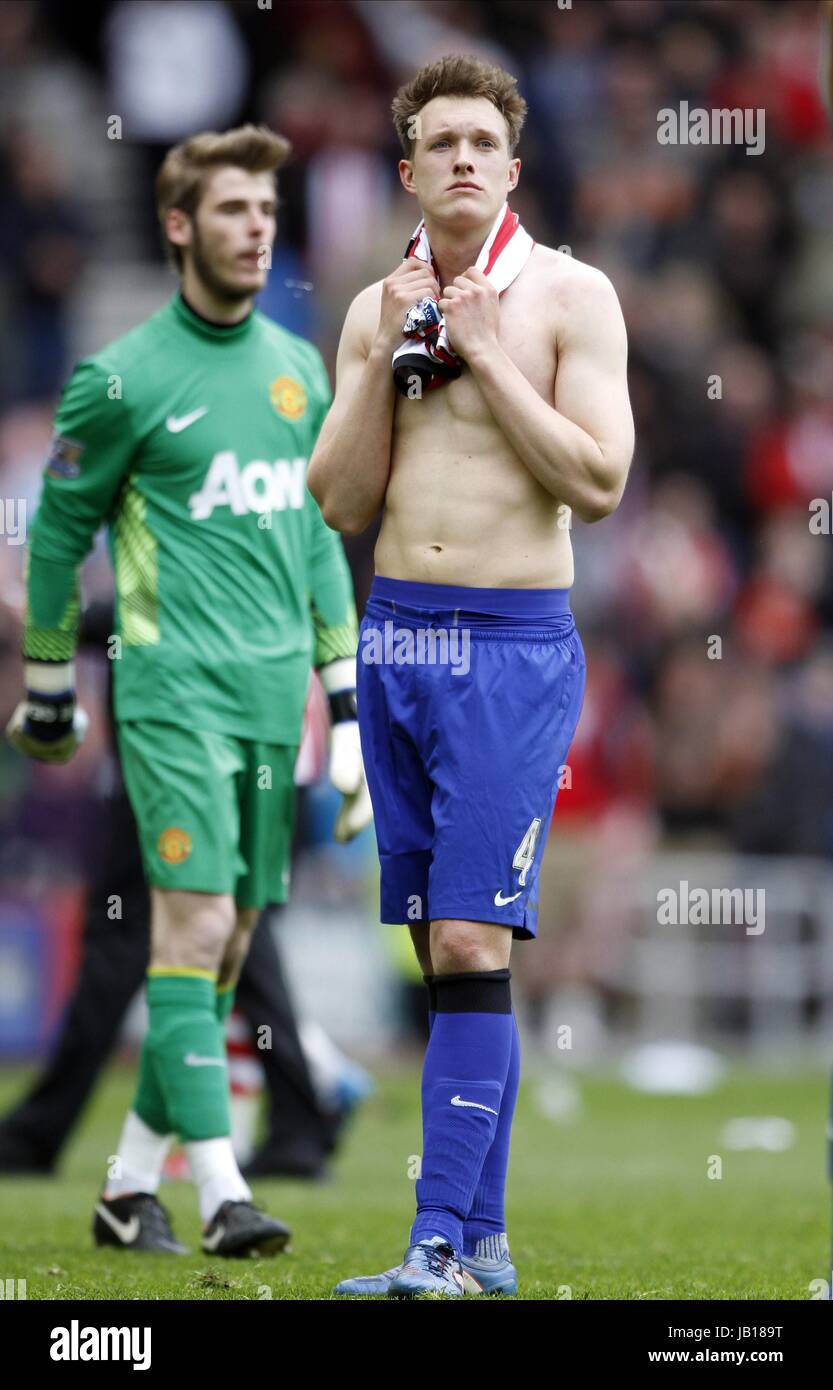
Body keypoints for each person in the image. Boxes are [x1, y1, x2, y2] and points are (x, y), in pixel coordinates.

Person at [7, 124, 370, 1257]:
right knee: (195, 924)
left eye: (266, 211)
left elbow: (313, 541)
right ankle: (221, 1195)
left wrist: (347, 703)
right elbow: (58, 536)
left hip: (275, 705)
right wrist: (53, 681)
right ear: (177, 226)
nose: (255, 228)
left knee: (222, 948)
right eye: (230, 210)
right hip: (168, 695)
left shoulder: (300, 369)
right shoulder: (119, 379)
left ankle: (125, 1189)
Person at [308, 54, 634, 1297]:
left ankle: (435, 1242)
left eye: (478, 142)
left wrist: (488, 356)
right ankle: (484, 1249)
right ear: (405, 170)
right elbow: (337, 495)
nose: (457, 157)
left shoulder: (567, 295)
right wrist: (392, 352)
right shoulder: (370, 306)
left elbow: (597, 485)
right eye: (435, 141)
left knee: (463, 933)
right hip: (397, 633)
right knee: (444, 950)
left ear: (508, 165)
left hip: (507, 641)